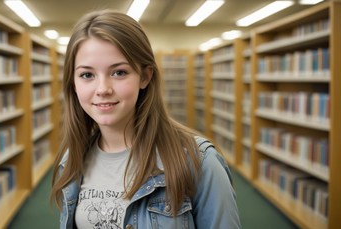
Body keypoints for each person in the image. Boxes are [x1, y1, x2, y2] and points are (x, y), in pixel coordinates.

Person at [51, 9, 241, 229]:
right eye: (87, 75)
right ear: (73, 83)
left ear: (145, 76)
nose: (102, 89)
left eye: (119, 72)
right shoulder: (72, 159)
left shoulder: (198, 161)